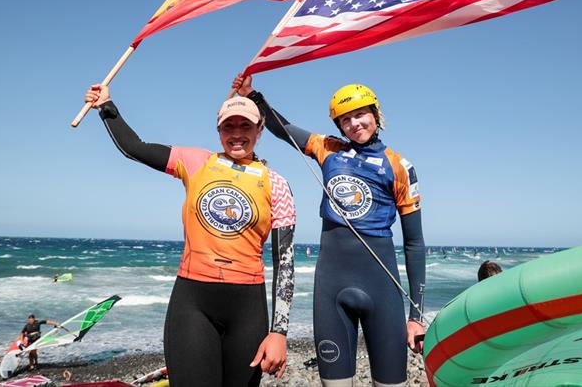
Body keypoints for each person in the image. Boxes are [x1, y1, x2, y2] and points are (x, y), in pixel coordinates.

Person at [84, 84, 296, 386]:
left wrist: (279, 333)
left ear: (259, 130)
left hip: (247, 309)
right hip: (193, 304)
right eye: (229, 126)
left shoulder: (277, 184)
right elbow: (136, 148)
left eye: (245, 125)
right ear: (219, 131)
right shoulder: (197, 161)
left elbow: (284, 263)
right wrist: (107, 107)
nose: (237, 133)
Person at [234, 76, 426, 387]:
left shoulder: (399, 166)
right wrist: (253, 96)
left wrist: (416, 316)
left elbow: (415, 244)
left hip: (382, 291)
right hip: (331, 289)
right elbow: (285, 130)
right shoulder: (328, 150)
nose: (354, 124)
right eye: (345, 119)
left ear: (376, 115)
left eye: (361, 115)